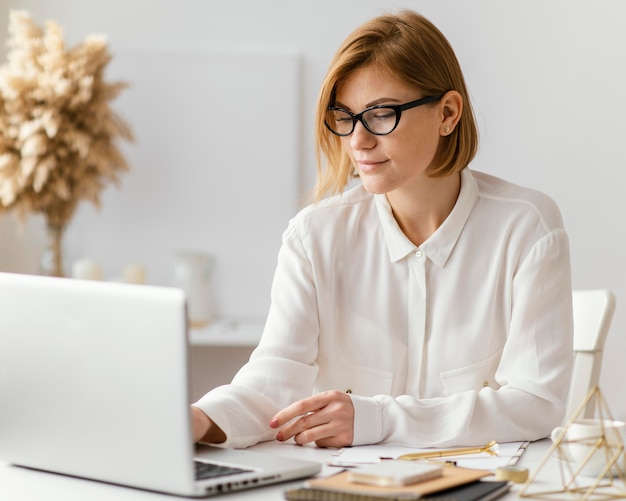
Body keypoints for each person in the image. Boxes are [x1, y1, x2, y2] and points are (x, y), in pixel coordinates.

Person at [191, 9, 573, 449]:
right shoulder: (314, 237)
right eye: (345, 116)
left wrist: (378, 419)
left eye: (381, 114)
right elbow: (272, 384)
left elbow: (535, 403)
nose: (358, 141)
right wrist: (199, 419)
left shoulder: (527, 228)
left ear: (447, 113)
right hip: (341, 489)